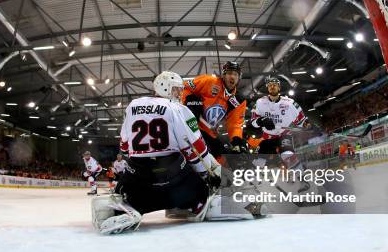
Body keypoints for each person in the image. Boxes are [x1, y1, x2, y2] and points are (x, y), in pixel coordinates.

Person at [91, 71, 266, 235]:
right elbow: (195, 148)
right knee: (202, 195)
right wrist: (209, 174)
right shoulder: (179, 109)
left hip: (138, 179)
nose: (179, 94)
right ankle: (203, 205)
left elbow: (124, 145)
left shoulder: (133, 106)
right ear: (164, 87)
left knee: (126, 192)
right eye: (176, 89)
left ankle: (126, 209)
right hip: (173, 180)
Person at [181, 61, 247, 159]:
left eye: (235, 74)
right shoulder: (209, 81)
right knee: (199, 156)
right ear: (223, 75)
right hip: (193, 126)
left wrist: (236, 140)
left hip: (209, 131)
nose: (232, 77)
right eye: (229, 73)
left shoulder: (238, 99)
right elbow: (184, 87)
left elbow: (235, 123)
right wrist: (188, 100)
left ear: (239, 77)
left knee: (220, 155)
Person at [247, 76, 308, 169]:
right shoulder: (260, 102)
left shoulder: (290, 103)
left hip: (283, 135)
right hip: (267, 137)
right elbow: (252, 122)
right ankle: (256, 180)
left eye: (275, 85)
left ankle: (302, 175)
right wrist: (261, 121)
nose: (272, 86)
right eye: (270, 85)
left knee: (287, 154)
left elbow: (302, 120)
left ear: (279, 87)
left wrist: (307, 125)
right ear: (267, 88)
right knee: (258, 161)